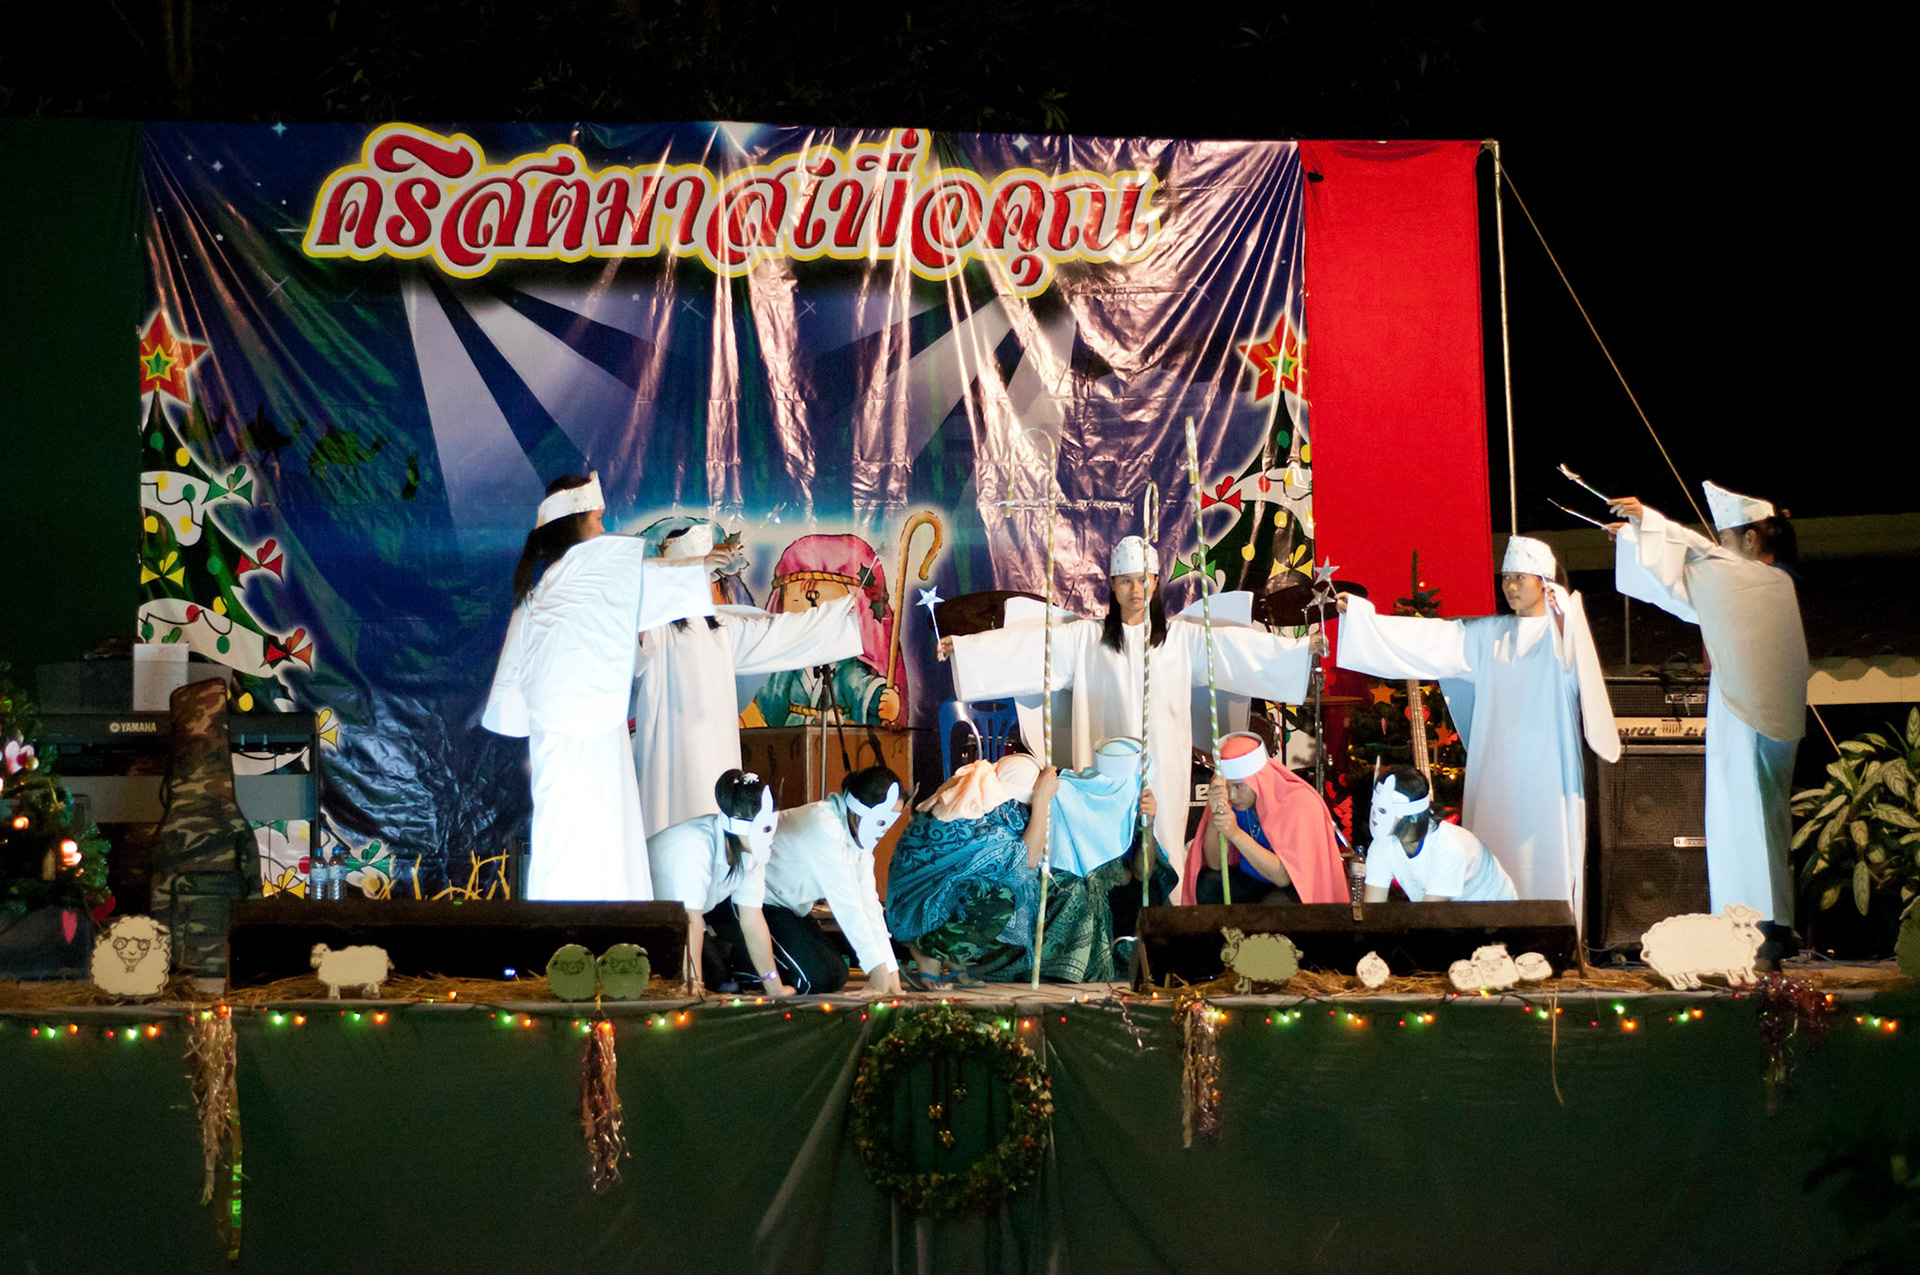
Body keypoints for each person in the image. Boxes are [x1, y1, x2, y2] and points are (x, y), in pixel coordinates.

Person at [940, 536, 1316, 895]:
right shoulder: (1085, 638)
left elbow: (1240, 650)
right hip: (1105, 769)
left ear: (1154, 583)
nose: (1135, 590)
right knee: (1105, 850)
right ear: (1113, 586)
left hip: (1162, 763)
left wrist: (1298, 651)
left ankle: (1164, 915)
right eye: (1126, 581)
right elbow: (1025, 650)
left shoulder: (1182, 639)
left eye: (1142, 580)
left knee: (1161, 843)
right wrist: (963, 650)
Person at [1333, 536, 1619, 925]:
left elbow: (1576, 652)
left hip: (1548, 772)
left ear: (1544, 582)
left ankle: (1553, 938)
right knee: (1497, 848)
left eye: (1521, 577)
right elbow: (1431, 640)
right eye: (1507, 578)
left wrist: (1564, 614)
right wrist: (1365, 620)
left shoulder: (1562, 635)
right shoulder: (1490, 635)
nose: (1511, 587)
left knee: (1547, 853)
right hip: (1498, 769)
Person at [482, 474, 714, 900]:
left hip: (567, 742)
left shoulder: (541, 592)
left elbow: (510, 698)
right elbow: (648, 585)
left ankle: (576, 941)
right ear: (578, 523)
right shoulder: (583, 580)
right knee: (601, 842)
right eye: (599, 519)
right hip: (583, 742)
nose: (605, 529)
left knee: (575, 842)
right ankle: (594, 943)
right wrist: (702, 567)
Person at [1609, 482, 1807, 953]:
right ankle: (1758, 921)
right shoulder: (1754, 583)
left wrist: (1648, 524)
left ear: (1753, 540)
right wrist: (1639, 537)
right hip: (1750, 700)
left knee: (1748, 810)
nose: (1719, 545)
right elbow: (1684, 588)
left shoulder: (1762, 580)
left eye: (1728, 537)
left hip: (1748, 703)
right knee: (1749, 812)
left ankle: (1761, 925)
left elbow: (1698, 563)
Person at [632, 524, 864, 835]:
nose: (704, 585)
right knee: (670, 822)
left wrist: (840, 612)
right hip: (668, 751)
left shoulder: (723, 628)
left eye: (709, 577)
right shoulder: (651, 628)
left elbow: (781, 634)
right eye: (696, 576)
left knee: (715, 819)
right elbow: (637, 597)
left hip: (715, 750)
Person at [886, 744, 1175, 984]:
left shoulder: (977, 801)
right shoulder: (984, 816)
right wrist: (1041, 802)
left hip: (943, 898)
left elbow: (1142, 873)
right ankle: (933, 954)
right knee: (1009, 898)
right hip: (920, 909)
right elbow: (1024, 863)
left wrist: (1146, 826)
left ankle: (954, 958)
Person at [762, 765, 907, 995]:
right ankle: (742, 964)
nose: (885, 830)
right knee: (812, 980)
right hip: (756, 904)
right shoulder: (822, 826)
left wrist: (891, 973)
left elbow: (868, 903)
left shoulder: (855, 835)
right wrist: (877, 973)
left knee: (835, 975)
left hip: (789, 909)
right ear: (861, 810)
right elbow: (848, 905)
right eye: (882, 821)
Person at [647, 770, 791, 996]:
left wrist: (775, 987)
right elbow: (689, 920)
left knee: (716, 970)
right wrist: (694, 986)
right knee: (708, 976)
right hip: (649, 924)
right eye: (764, 828)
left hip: (685, 922)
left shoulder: (750, 852)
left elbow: (752, 921)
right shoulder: (694, 846)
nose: (770, 836)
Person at [746, 533, 904, 727]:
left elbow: (857, 684)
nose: (811, 613)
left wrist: (878, 698)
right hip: (792, 735)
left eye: (824, 607)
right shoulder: (787, 659)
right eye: (796, 601)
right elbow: (771, 695)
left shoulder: (845, 663)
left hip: (835, 733)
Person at [1181, 731, 1349, 906]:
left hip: (1295, 888)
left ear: (1258, 780)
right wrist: (1215, 816)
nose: (1232, 795)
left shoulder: (1299, 802)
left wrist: (1235, 834)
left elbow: (1283, 878)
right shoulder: (1231, 801)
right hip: (1252, 879)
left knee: (1274, 905)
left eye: (1239, 786)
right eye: (1226, 787)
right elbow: (1215, 863)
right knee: (1208, 885)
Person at [1360, 766, 1517, 903]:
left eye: (1383, 810)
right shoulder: (1382, 845)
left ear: (1413, 816)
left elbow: (1429, 917)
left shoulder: (1448, 848)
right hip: (1452, 920)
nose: (1374, 816)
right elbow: (1373, 912)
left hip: (1496, 918)